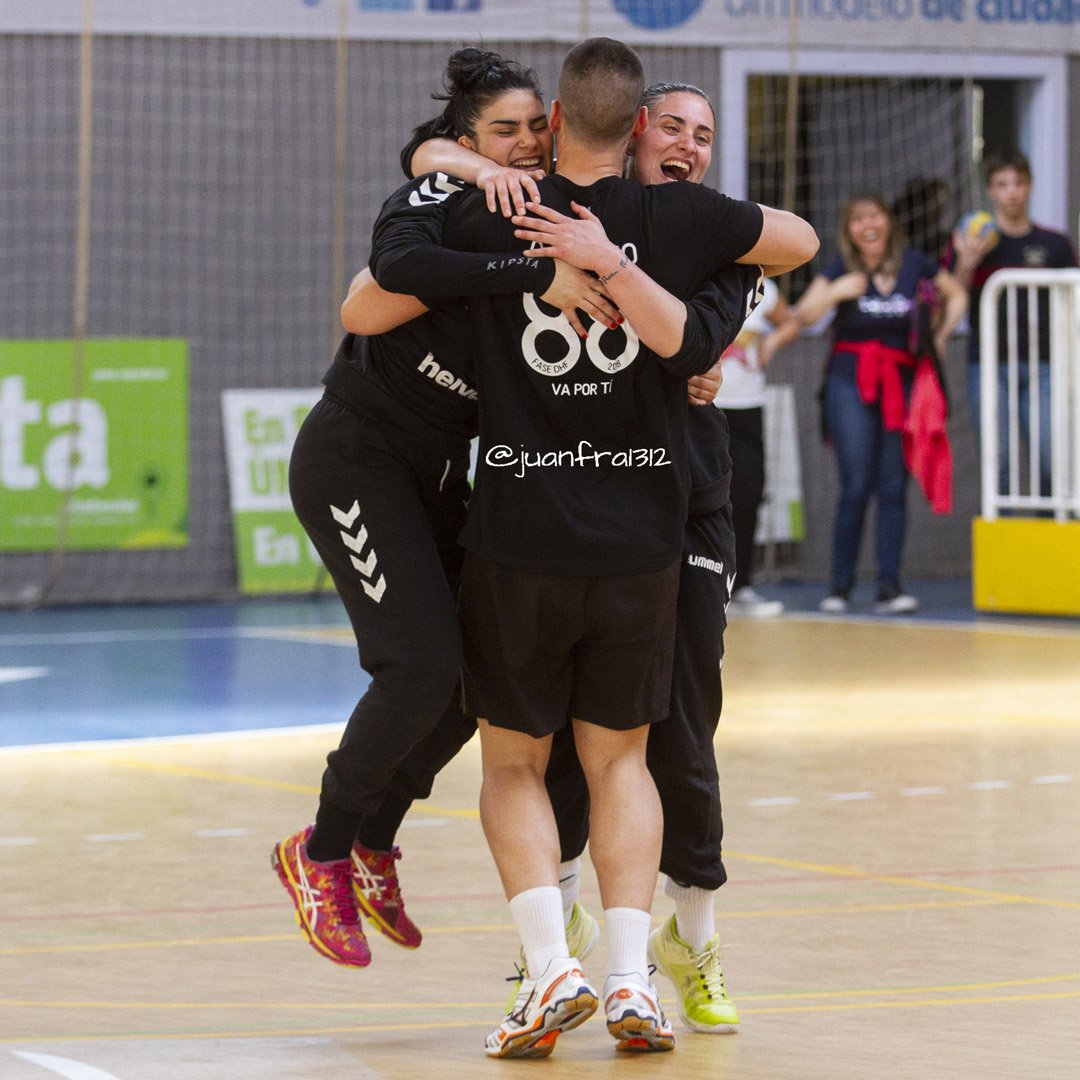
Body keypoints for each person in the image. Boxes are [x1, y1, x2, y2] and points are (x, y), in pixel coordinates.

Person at [368, 38, 817, 1057]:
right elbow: (795, 240)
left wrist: (491, 199)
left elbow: (391, 258)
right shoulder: (687, 221)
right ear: (641, 131)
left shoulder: (502, 208)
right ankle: (629, 982)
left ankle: (548, 968)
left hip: (523, 534)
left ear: (557, 124)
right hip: (640, 543)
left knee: (516, 765)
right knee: (622, 763)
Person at [272, 49, 621, 971]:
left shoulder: (551, 213)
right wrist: (518, 266)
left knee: (480, 677)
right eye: (499, 131)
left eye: (532, 127)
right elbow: (382, 277)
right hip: (358, 457)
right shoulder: (458, 194)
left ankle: (377, 840)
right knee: (418, 665)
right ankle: (317, 853)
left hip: (437, 473)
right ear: (466, 138)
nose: (522, 143)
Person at [770, 192, 966, 614]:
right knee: (856, 484)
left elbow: (959, 296)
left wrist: (942, 337)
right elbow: (802, 315)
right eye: (858, 219)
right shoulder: (841, 268)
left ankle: (889, 587)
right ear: (850, 231)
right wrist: (837, 291)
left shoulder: (916, 264)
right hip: (849, 381)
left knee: (894, 484)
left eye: (874, 215)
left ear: (889, 222)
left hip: (902, 382)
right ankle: (840, 587)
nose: (868, 224)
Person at [944, 149, 1077, 499]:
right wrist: (967, 261)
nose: (1012, 191)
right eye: (1002, 184)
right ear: (990, 191)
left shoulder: (1055, 244)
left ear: (1030, 186)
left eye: (1018, 182)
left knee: (1052, 460)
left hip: (1045, 364)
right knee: (996, 462)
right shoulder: (974, 239)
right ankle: (1002, 542)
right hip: (987, 365)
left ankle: (1053, 538)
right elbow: (949, 302)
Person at [716, 275, 793, 619]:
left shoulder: (764, 287)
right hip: (701, 405)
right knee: (697, 496)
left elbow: (789, 321)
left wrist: (769, 345)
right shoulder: (694, 275)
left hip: (748, 404)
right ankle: (699, 586)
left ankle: (742, 585)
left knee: (748, 493)